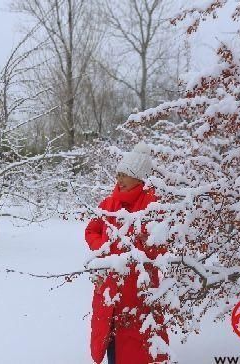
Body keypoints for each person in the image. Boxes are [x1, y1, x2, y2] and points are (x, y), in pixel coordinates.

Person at [85, 142, 168, 364]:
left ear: (139, 178)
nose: (118, 180)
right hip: (109, 283)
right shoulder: (109, 203)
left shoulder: (153, 206)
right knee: (110, 337)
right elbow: (91, 230)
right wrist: (102, 247)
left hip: (138, 288)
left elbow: (161, 244)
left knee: (137, 343)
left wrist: (141, 252)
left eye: (124, 175)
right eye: (118, 174)